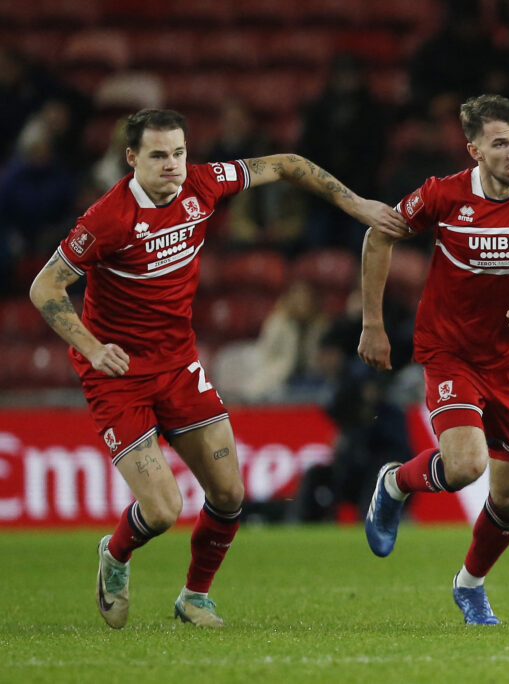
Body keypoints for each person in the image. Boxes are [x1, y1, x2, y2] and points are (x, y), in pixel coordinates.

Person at [28, 108, 407, 629]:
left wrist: (357, 204)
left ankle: (194, 598)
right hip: (118, 374)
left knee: (230, 494)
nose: (173, 165)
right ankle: (115, 556)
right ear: (131, 158)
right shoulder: (106, 219)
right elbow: (44, 287)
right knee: (162, 510)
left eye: (179, 153)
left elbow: (289, 164)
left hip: (179, 364)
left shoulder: (203, 183)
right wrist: (92, 348)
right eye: (159, 155)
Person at [359, 94, 509, 624]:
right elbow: (379, 235)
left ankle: (470, 585)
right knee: (467, 464)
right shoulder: (442, 195)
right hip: (452, 353)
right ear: (474, 150)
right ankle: (395, 483)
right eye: (499, 142)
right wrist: (373, 324)